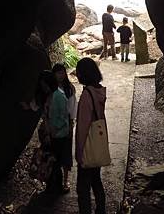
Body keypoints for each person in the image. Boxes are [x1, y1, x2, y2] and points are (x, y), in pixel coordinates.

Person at [75, 57, 107, 214]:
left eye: (78, 71)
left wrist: (79, 151)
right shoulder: (99, 90)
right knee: (96, 181)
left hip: (88, 146)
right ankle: (101, 210)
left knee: (82, 188)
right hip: (97, 145)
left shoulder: (87, 94)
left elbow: (83, 126)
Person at [52, 63, 77, 192]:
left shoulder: (69, 88)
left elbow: (72, 109)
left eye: (62, 72)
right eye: (57, 73)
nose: (60, 75)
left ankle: (65, 180)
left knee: (66, 153)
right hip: (53, 125)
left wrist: (71, 125)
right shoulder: (51, 88)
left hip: (66, 124)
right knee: (54, 153)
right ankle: (53, 180)